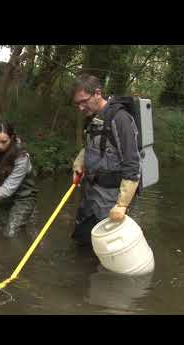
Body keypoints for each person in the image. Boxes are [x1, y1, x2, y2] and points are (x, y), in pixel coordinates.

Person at [71, 74, 141, 247]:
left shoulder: (120, 119)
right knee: (82, 241)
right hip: (91, 193)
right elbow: (91, 145)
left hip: (111, 200)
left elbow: (132, 163)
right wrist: (79, 163)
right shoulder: (94, 116)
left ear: (97, 93)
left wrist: (122, 205)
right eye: (77, 104)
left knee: (103, 247)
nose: (80, 107)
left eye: (83, 101)